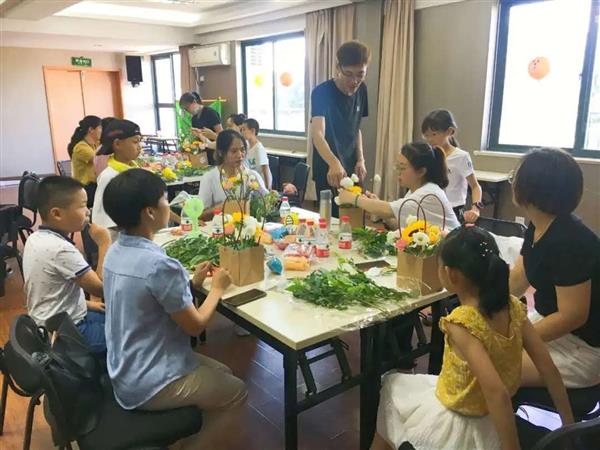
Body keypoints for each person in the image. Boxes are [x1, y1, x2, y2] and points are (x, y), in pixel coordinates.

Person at [371, 226, 573, 450]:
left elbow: (497, 393)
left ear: (450, 274)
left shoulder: (462, 323)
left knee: (391, 386)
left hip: (460, 424)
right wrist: (568, 427)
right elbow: (548, 368)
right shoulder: (514, 307)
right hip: (493, 416)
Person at [102, 169, 247, 449]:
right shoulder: (159, 265)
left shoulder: (115, 251)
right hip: (149, 382)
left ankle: (185, 437)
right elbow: (196, 325)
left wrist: (192, 284)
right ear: (149, 212)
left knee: (225, 371)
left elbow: (150, 297)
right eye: (164, 199)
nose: (169, 205)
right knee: (236, 391)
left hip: (124, 367)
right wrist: (217, 288)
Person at [509, 148, 600, 388]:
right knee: (476, 348)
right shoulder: (539, 224)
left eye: (515, 177)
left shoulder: (571, 242)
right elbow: (518, 279)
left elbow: (572, 316)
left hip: (580, 348)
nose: (512, 182)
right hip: (548, 325)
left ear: (530, 189)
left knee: (486, 367)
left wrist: (517, 338)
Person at [22, 176, 110, 353]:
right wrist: (104, 243)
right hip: (67, 332)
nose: (88, 212)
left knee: (115, 318)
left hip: (48, 321)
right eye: (82, 206)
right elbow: (102, 289)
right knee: (131, 335)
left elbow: (52, 292)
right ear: (57, 214)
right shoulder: (61, 250)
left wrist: (86, 304)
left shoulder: (35, 238)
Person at [338, 142, 460, 230]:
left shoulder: (427, 193)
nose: (398, 172)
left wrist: (353, 198)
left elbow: (387, 209)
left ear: (421, 171)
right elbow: (402, 226)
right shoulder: (415, 190)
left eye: (402, 167)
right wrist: (383, 213)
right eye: (397, 167)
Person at [311, 40, 371, 216]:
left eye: (360, 74)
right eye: (349, 74)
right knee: (331, 220)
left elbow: (356, 128)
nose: (355, 81)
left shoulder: (362, 90)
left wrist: (361, 159)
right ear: (338, 68)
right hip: (329, 167)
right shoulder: (322, 92)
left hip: (352, 166)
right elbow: (317, 133)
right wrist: (333, 162)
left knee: (355, 218)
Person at [422, 109, 483, 223]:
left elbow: (475, 186)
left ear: (449, 131)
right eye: (426, 136)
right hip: (431, 208)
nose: (430, 140)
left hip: (453, 210)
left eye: (434, 134)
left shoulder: (461, 157)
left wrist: (475, 208)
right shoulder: (427, 155)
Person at [198, 129, 268, 219]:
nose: (240, 155)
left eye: (242, 150)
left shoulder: (252, 176)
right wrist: (221, 208)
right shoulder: (210, 178)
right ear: (220, 153)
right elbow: (200, 215)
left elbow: (267, 202)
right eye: (234, 151)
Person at [92, 119, 142, 240]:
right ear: (118, 144)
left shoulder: (135, 170)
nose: (139, 147)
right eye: (135, 142)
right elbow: (102, 223)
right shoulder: (109, 177)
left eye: (140, 142)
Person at [68, 115, 102, 207]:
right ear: (91, 129)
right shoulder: (81, 147)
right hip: (85, 189)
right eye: (100, 128)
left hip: (93, 186)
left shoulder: (94, 144)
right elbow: (99, 160)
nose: (101, 131)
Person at [241, 118, 272, 189]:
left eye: (244, 129)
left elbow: (265, 169)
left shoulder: (258, 148)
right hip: (252, 181)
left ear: (253, 131)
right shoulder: (246, 145)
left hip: (261, 183)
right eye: (241, 129)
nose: (242, 132)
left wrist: (268, 188)